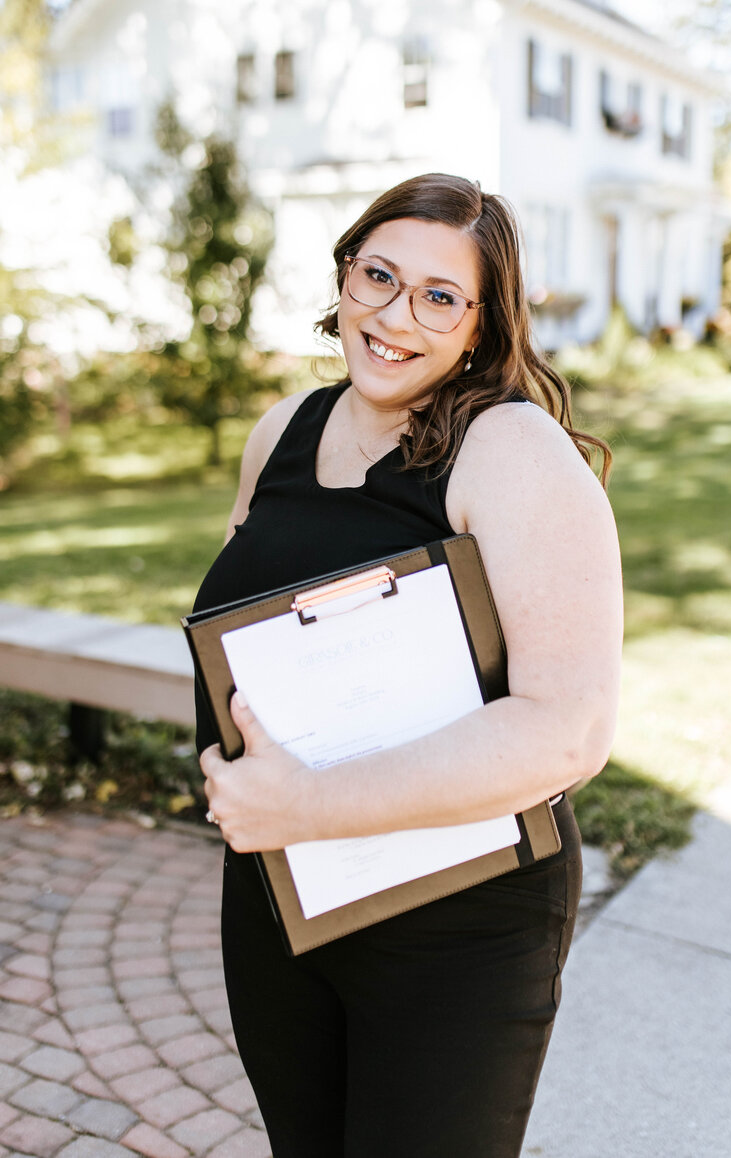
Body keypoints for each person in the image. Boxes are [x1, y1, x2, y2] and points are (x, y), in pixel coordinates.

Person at [195, 172, 623, 1158]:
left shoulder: (508, 449)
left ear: (480, 324)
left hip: (455, 922)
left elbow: (569, 727)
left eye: (439, 296)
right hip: (282, 895)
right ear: (343, 277)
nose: (394, 316)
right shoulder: (284, 431)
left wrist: (308, 805)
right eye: (376, 276)